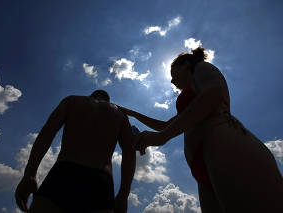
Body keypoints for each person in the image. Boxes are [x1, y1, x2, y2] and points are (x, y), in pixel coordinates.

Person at [120, 47, 283, 213]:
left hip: (224, 144)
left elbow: (213, 94)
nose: (171, 81)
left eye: (173, 73)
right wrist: (132, 114)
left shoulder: (202, 67)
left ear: (185, 65)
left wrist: (163, 137)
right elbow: (165, 125)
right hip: (203, 165)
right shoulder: (193, 94)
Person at [15, 90, 136, 213]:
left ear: (91, 95)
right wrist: (123, 195)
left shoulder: (73, 100)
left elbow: (48, 131)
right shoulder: (120, 115)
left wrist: (30, 174)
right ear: (108, 100)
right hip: (100, 181)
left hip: (64, 173)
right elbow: (129, 153)